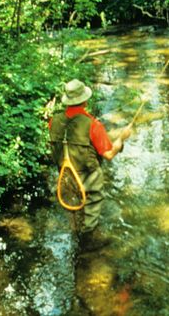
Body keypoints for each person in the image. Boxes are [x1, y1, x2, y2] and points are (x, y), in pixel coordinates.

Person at [48, 79, 131, 247]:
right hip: (87, 173)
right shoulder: (93, 125)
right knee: (93, 199)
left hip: (65, 174)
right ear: (85, 101)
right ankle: (88, 238)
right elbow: (108, 154)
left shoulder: (53, 121)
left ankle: (75, 230)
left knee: (73, 202)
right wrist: (122, 138)